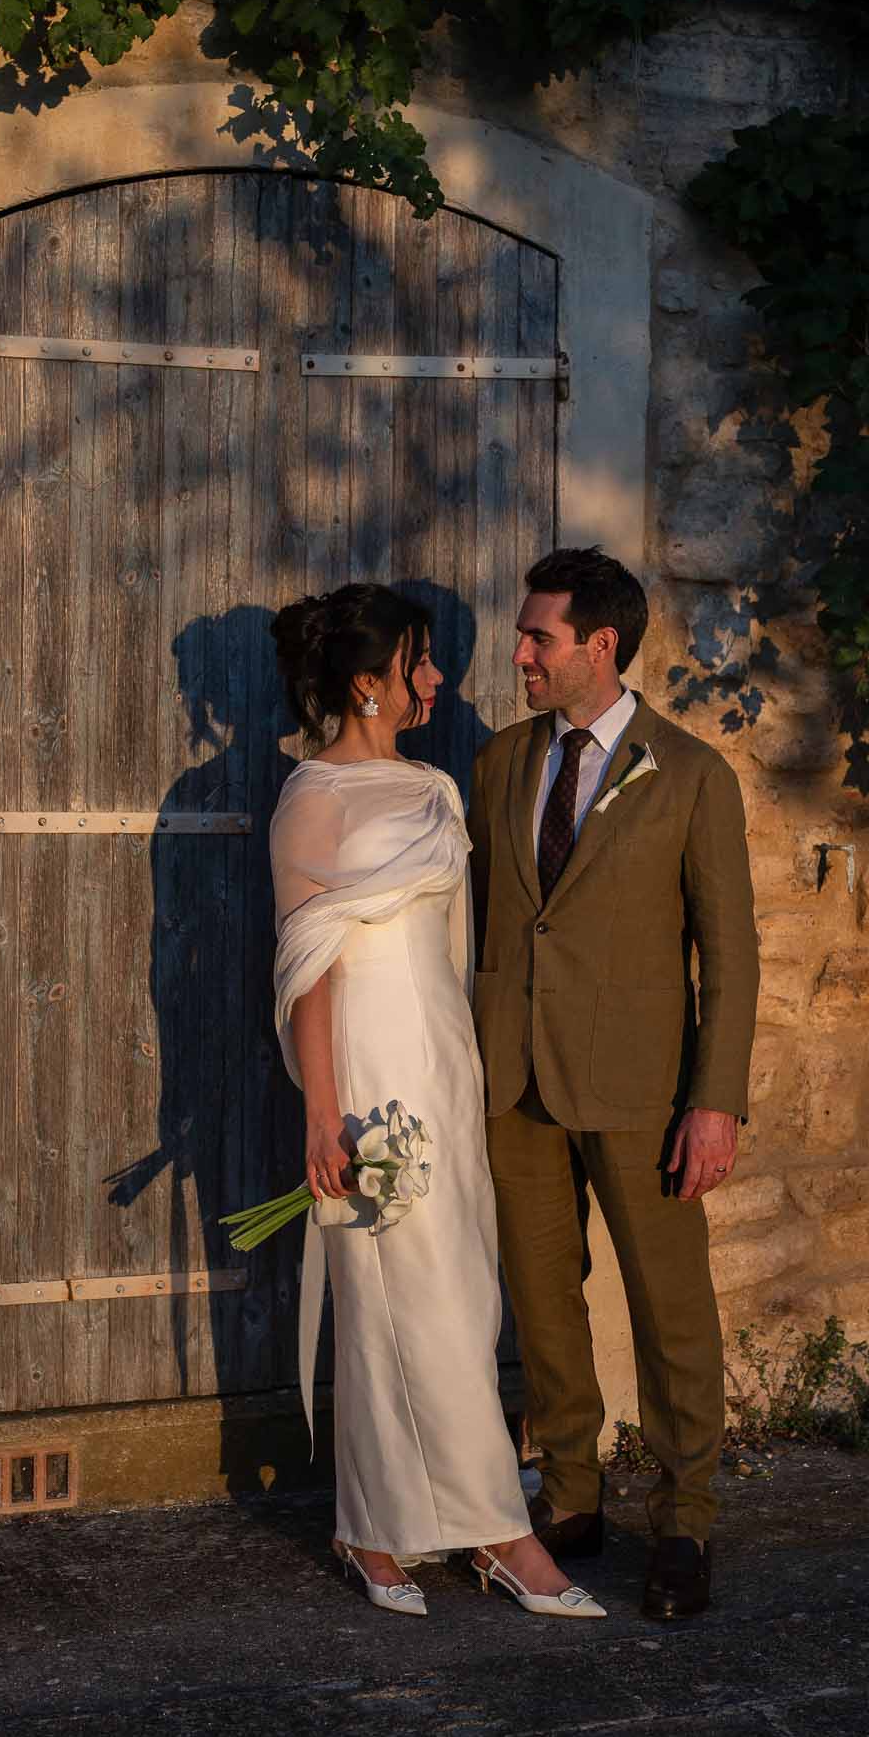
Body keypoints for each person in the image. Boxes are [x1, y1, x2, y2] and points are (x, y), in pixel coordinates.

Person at [268, 582, 605, 1621]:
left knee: (460, 1292)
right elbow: (308, 970)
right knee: (390, 1302)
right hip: (368, 1070)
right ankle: (498, 1532)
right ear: (366, 682)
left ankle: (374, 1525)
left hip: (443, 1063)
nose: (435, 679)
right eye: (416, 662)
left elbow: (459, 945)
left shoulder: (435, 787)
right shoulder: (311, 797)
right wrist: (324, 1114)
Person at [467, 547, 760, 1621]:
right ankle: (574, 1495)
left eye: (538, 636)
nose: (520, 652)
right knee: (544, 1305)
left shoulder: (690, 774)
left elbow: (729, 953)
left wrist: (714, 1098)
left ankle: (686, 1519)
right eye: (521, 632)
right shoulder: (500, 763)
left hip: (646, 1093)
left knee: (670, 1310)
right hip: (515, 1084)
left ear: (601, 644)